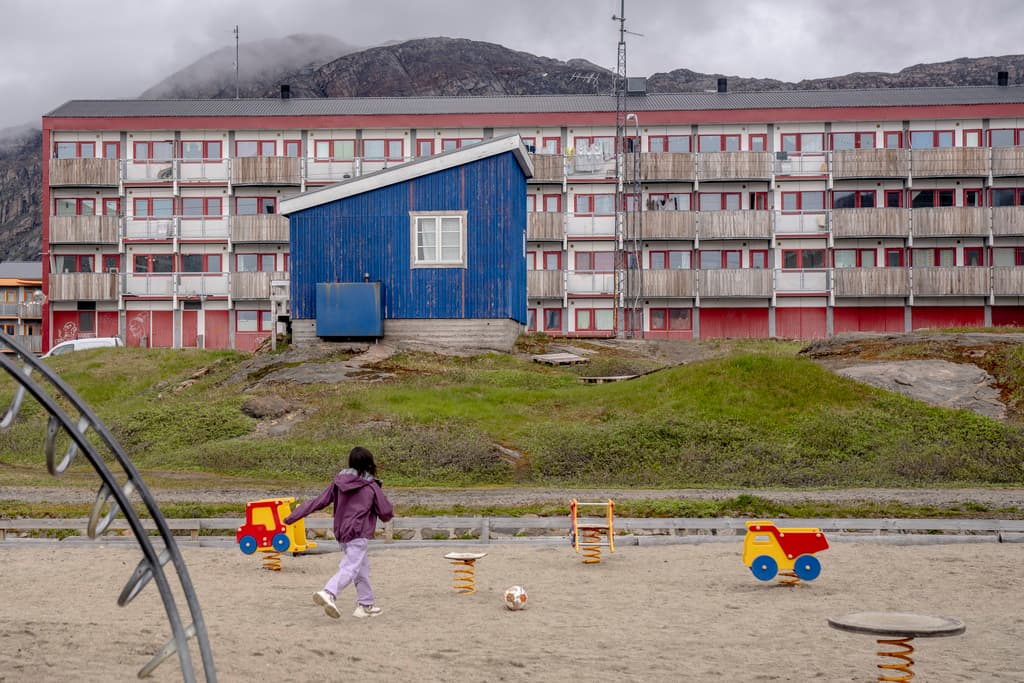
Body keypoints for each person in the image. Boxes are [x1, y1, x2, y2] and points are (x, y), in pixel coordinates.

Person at [284, 446, 394, 619]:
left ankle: (365, 605)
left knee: (361, 568)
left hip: (342, 533)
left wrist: (291, 517)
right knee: (350, 567)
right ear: (369, 464)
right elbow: (386, 512)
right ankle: (329, 592)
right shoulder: (371, 486)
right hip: (358, 532)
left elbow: (318, 502)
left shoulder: (339, 482)